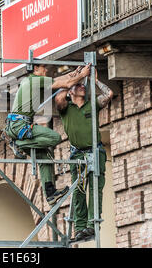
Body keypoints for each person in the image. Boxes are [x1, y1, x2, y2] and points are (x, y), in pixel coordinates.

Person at [5, 63, 91, 206]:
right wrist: (82, 75)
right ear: (35, 69)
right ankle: (17, 144)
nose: (46, 70)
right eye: (43, 67)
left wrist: (75, 73)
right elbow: (65, 83)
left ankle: (50, 193)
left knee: (44, 156)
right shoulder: (33, 80)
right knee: (55, 137)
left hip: (18, 125)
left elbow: (60, 79)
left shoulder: (33, 80)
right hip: (19, 125)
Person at [55, 68, 113, 242]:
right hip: (77, 155)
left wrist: (93, 79)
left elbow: (109, 93)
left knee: (96, 188)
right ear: (71, 89)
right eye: (78, 86)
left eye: (82, 85)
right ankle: (80, 228)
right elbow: (59, 98)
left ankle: (92, 225)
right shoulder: (66, 107)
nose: (82, 87)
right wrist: (74, 77)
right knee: (78, 191)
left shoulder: (92, 104)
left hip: (95, 151)